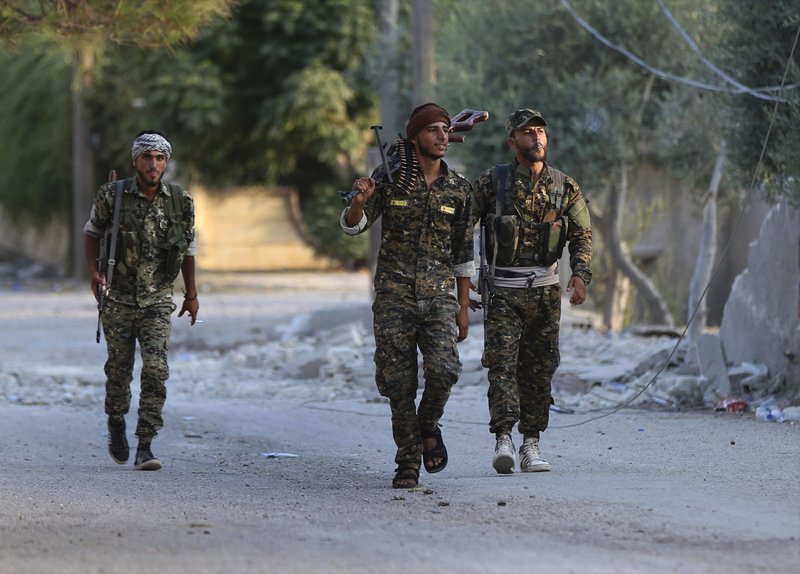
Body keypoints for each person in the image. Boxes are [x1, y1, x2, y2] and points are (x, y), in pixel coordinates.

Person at [340, 103, 474, 488]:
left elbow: (464, 254)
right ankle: (408, 461)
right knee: (399, 385)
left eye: (446, 129)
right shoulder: (392, 176)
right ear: (414, 137)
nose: (442, 136)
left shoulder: (459, 188)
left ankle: (428, 422)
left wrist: (463, 309)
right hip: (394, 295)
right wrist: (360, 201)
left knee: (445, 370)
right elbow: (355, 226)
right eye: (433, 130)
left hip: (439, 297)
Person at [471, 109, 592, 474]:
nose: (536, 138)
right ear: (513, 141)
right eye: (527, 132)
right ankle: (503, 438)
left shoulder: (564, 186)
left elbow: (581, 234)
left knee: (539, 369)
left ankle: (531, 442)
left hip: (544, 292)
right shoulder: (494, 182)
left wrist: (581, 273)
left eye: (541, 131)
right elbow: (463, 223)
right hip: (504, 290)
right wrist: (465, 278)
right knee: (503, 365)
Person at [83, 130, 199, 471]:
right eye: (147, 157)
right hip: (118, 297)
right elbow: (91, 233)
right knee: (118, 371)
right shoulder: (112, 195)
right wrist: (94, 272)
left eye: (160, 158)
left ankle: (145, 444)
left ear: (166, 163)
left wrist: (191, 294)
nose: (154, 164)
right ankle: (116, 422)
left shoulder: (180, 200)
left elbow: (188, 250)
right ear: (136, 161)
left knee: (156, 370)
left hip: (158, 299)